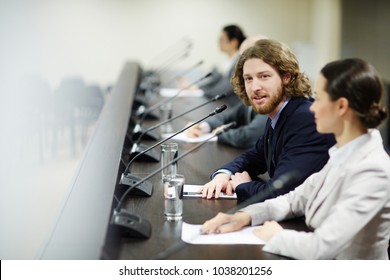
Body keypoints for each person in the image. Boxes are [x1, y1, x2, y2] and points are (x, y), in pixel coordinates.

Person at [201, 58, 390, 260]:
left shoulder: (373, 170)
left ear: (341, 106)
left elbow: (322, 247)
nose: (312, 108)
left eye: (318, 99)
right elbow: (294, 200)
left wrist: (278, 236)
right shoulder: (342, 153)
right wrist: (244, 216)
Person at [200, 39, 335, 201]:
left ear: (286, 77)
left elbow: (281, 192)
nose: (254, 87)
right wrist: (223, 175)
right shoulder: (279, 113)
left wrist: (242, 185)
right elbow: (255, 157)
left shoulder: (305, 118)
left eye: (264, 76)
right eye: (248, 79)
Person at [185, 34, 269, 149]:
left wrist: (218, 135)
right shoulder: (251, 92)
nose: (241, 64)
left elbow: (249, 136)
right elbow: (229, 116)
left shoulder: (268, 94)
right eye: (241, 58)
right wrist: (203, 127)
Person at [177, 24, 246, 107]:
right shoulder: (228, 62)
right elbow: (214, 84)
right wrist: (195, 87)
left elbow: (220, 90)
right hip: (221, 104)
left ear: (233, 42)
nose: (219, 42)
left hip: (230, 107)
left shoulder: (239, 63)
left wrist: (197, 89)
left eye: (222, 39)